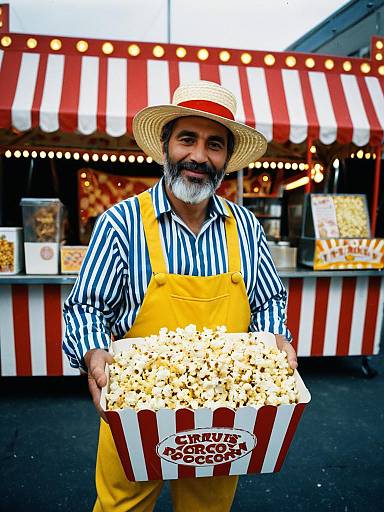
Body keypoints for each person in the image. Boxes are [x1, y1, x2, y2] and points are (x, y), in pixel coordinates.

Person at [63, 80, 297, 512]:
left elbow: (267, 300)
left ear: (226, 158)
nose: (199, 157)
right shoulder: (121, 223)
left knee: (208, 507)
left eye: (214, 145)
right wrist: (93, 352)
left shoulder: (245, 227)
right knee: (122, 505)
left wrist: (272, 340)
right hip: (135, 406)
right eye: (187, 139)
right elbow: (87, 307)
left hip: (226, 411)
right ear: (166, 146)